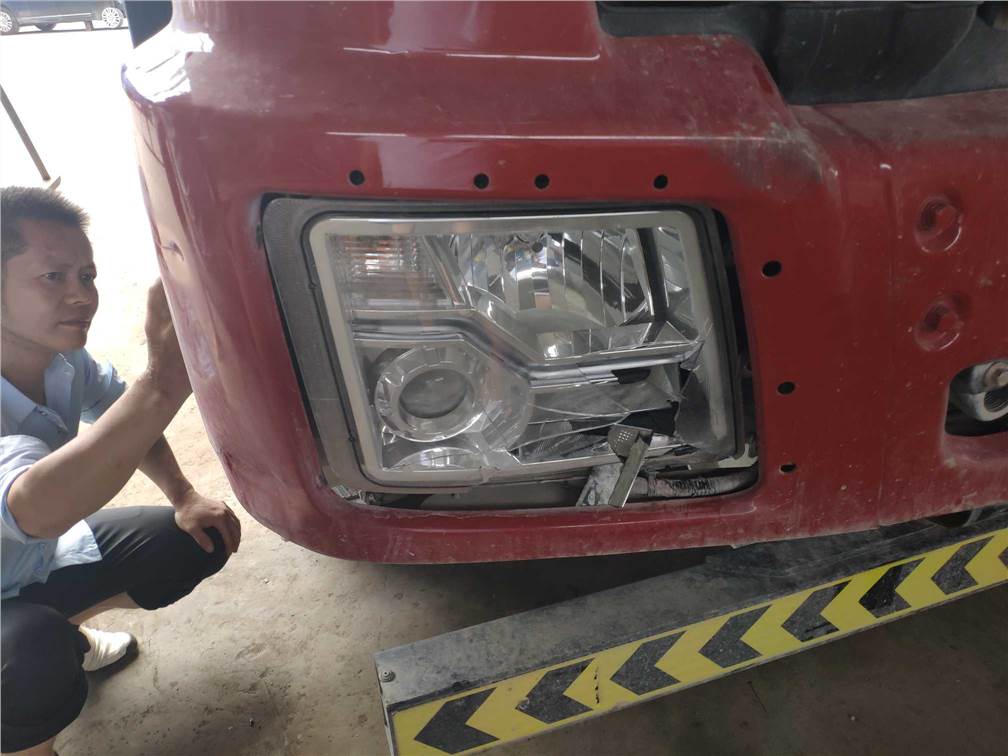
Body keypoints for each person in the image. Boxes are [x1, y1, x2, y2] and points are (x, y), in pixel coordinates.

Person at [1, 186, 242, 755]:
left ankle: (67, 637)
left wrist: (184, 495)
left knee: (197, 538)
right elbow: (33, 509)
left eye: (86, 276)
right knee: (30, 652)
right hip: (18, 573)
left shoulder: (63, 360)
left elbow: (120, 413)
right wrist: (163, 383)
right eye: (53, 277)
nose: (81, 295)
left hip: (30, 565)